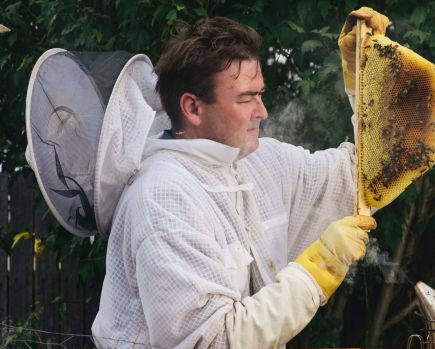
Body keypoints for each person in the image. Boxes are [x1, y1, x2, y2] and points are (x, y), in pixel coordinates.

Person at [92, 7, 388, 349]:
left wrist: (370, 76)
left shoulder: (258, 162)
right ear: (193, 108)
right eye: (246, 98)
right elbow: (211, 341)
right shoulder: (163, 199)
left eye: (259, 94)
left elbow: (367, 177)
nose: (262, 112)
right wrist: (316, 272)